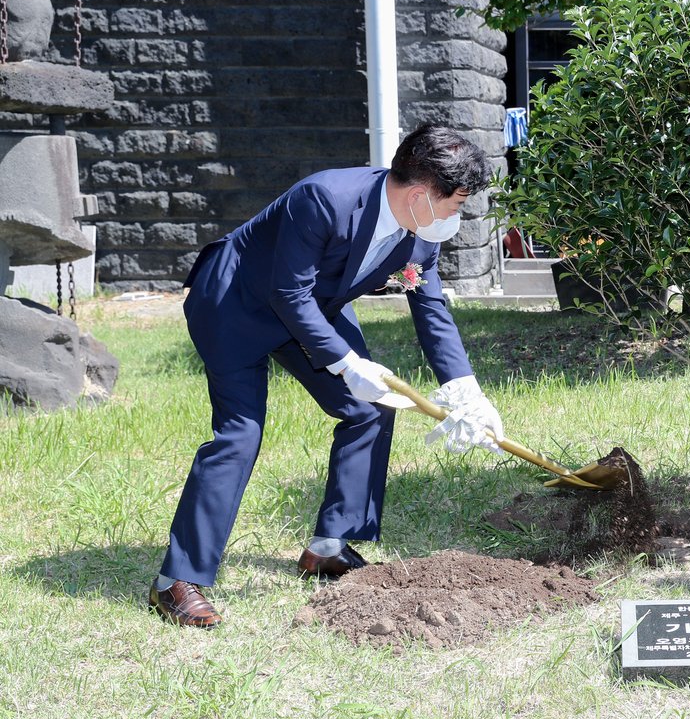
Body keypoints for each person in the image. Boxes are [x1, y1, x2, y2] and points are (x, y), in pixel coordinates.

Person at [149, 125, 506, 628]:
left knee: (371, 408)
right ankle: (176, 580)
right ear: (422, 195)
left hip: (313, 309)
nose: (457, 217)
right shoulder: (325, 198)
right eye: (455, 205)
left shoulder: (421, 234)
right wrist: (345, 362)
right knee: (240, 434)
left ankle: (327, 547)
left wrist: (465, 390)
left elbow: (430, 309)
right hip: (235, 303)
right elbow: (287, 292)